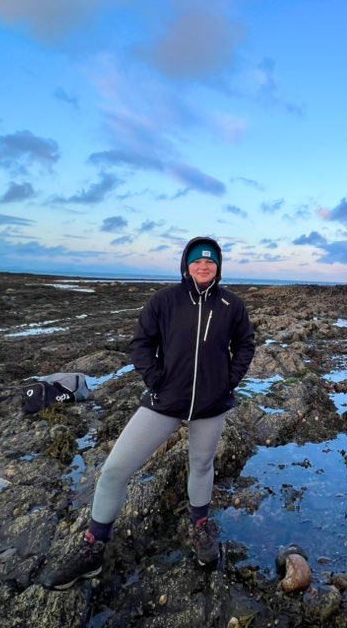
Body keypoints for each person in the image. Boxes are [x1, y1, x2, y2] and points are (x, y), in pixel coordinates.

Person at [41, 236, 255, 589]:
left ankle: (199, 527)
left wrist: (228, 381)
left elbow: (245, 344)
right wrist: (157, 381)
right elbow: (141, 344)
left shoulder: (232, 305)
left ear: (219, 266)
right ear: (186, 264)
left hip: (211, 405)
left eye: (211, 261)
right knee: (114, 470)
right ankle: (94, 546)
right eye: (198, 261)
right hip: (165, 402)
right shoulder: (165, 300)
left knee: (202, 465)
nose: (204, 266)